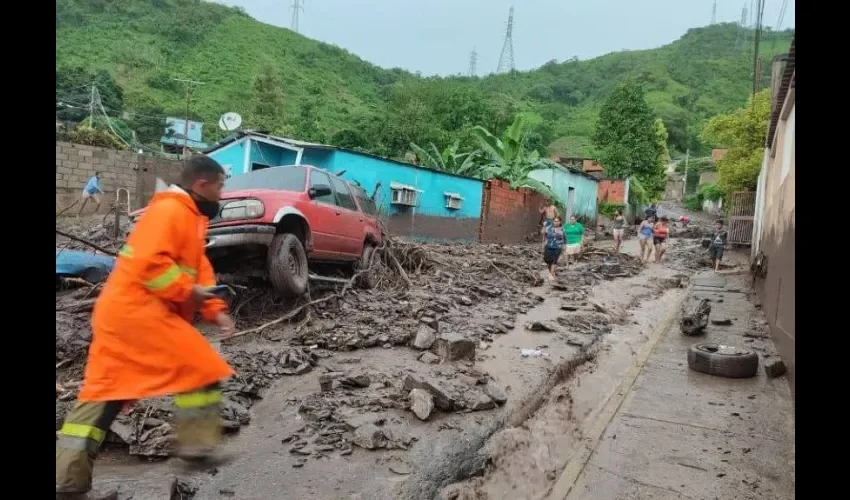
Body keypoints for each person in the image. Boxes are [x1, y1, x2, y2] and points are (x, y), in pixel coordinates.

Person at [56, 156, 237, 500]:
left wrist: (215, 308)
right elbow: (150, 264)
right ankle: (197, 449)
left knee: (104, 394)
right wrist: (189, 293)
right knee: (201, 367)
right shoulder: (170, 212)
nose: (222, 193)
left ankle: (68, 486)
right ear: (201, 185)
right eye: (220, 185)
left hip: (125, 313)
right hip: (137, 313)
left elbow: (199, 268)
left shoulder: (190, 217)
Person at [542, 216, 565, 280]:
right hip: (548, 246)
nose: (556, 222)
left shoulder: (563, 229)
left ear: (560, 222)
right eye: (555, 221)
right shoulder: (548, 228)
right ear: (553, 221)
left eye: (558, 221)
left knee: (554, 261)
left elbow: (565, 239)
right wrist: (544, 226)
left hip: (558, 247)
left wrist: (565, 247)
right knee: (547, 260)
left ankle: (551, 274)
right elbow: (543, 233)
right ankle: (551, 272)